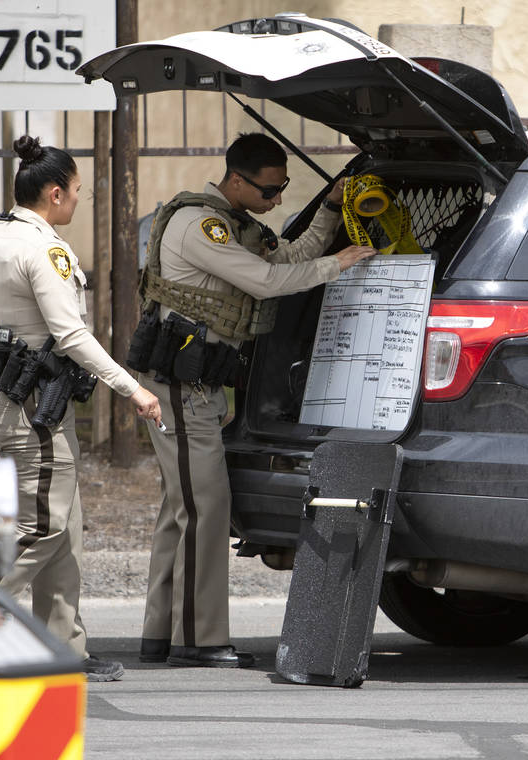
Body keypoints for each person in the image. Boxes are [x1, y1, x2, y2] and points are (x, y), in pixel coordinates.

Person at [0, 135, 162, 683]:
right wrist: (132, 388)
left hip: (8, 400)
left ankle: (62, 648)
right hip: (33, 410)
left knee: (66, 524)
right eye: (77, 191)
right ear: (55, 194)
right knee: (45, 527)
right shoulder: (43, 248)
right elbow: (71, 333)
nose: (80, 199)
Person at [136, 132, 374, 668]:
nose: (277, 199)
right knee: (206, 510)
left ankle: (159, 635)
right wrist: (339, 265)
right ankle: (200, 640)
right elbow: (267, 280)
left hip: (196, 386)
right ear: (237, 180)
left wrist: (330, 216)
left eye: (284, 187)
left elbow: (286, 254)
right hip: (179, 385)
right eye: (270, 190)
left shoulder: (238, 224)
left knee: (183, 510)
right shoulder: (202, 226)